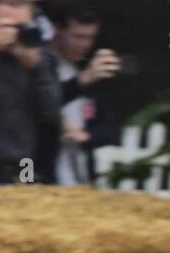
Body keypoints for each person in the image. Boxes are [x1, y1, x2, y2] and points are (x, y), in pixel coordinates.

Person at [0, 0, 60, 185]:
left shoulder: (41, 60)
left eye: (21, 26)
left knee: (25, 210)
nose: (13, 33)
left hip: (25, 165)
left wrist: (37, 69)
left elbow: (51, 115)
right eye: (7, 26)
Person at [41, 0, 118, 185]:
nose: (85, 44)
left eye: (91, 37)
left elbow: (110, 128)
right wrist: (82, 81)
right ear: (57, 28)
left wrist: (86, 136)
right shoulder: (38, 65)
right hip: (42, 173)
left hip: (80, 176)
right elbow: (39, 103)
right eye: (78, 36)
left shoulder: (92, 69)